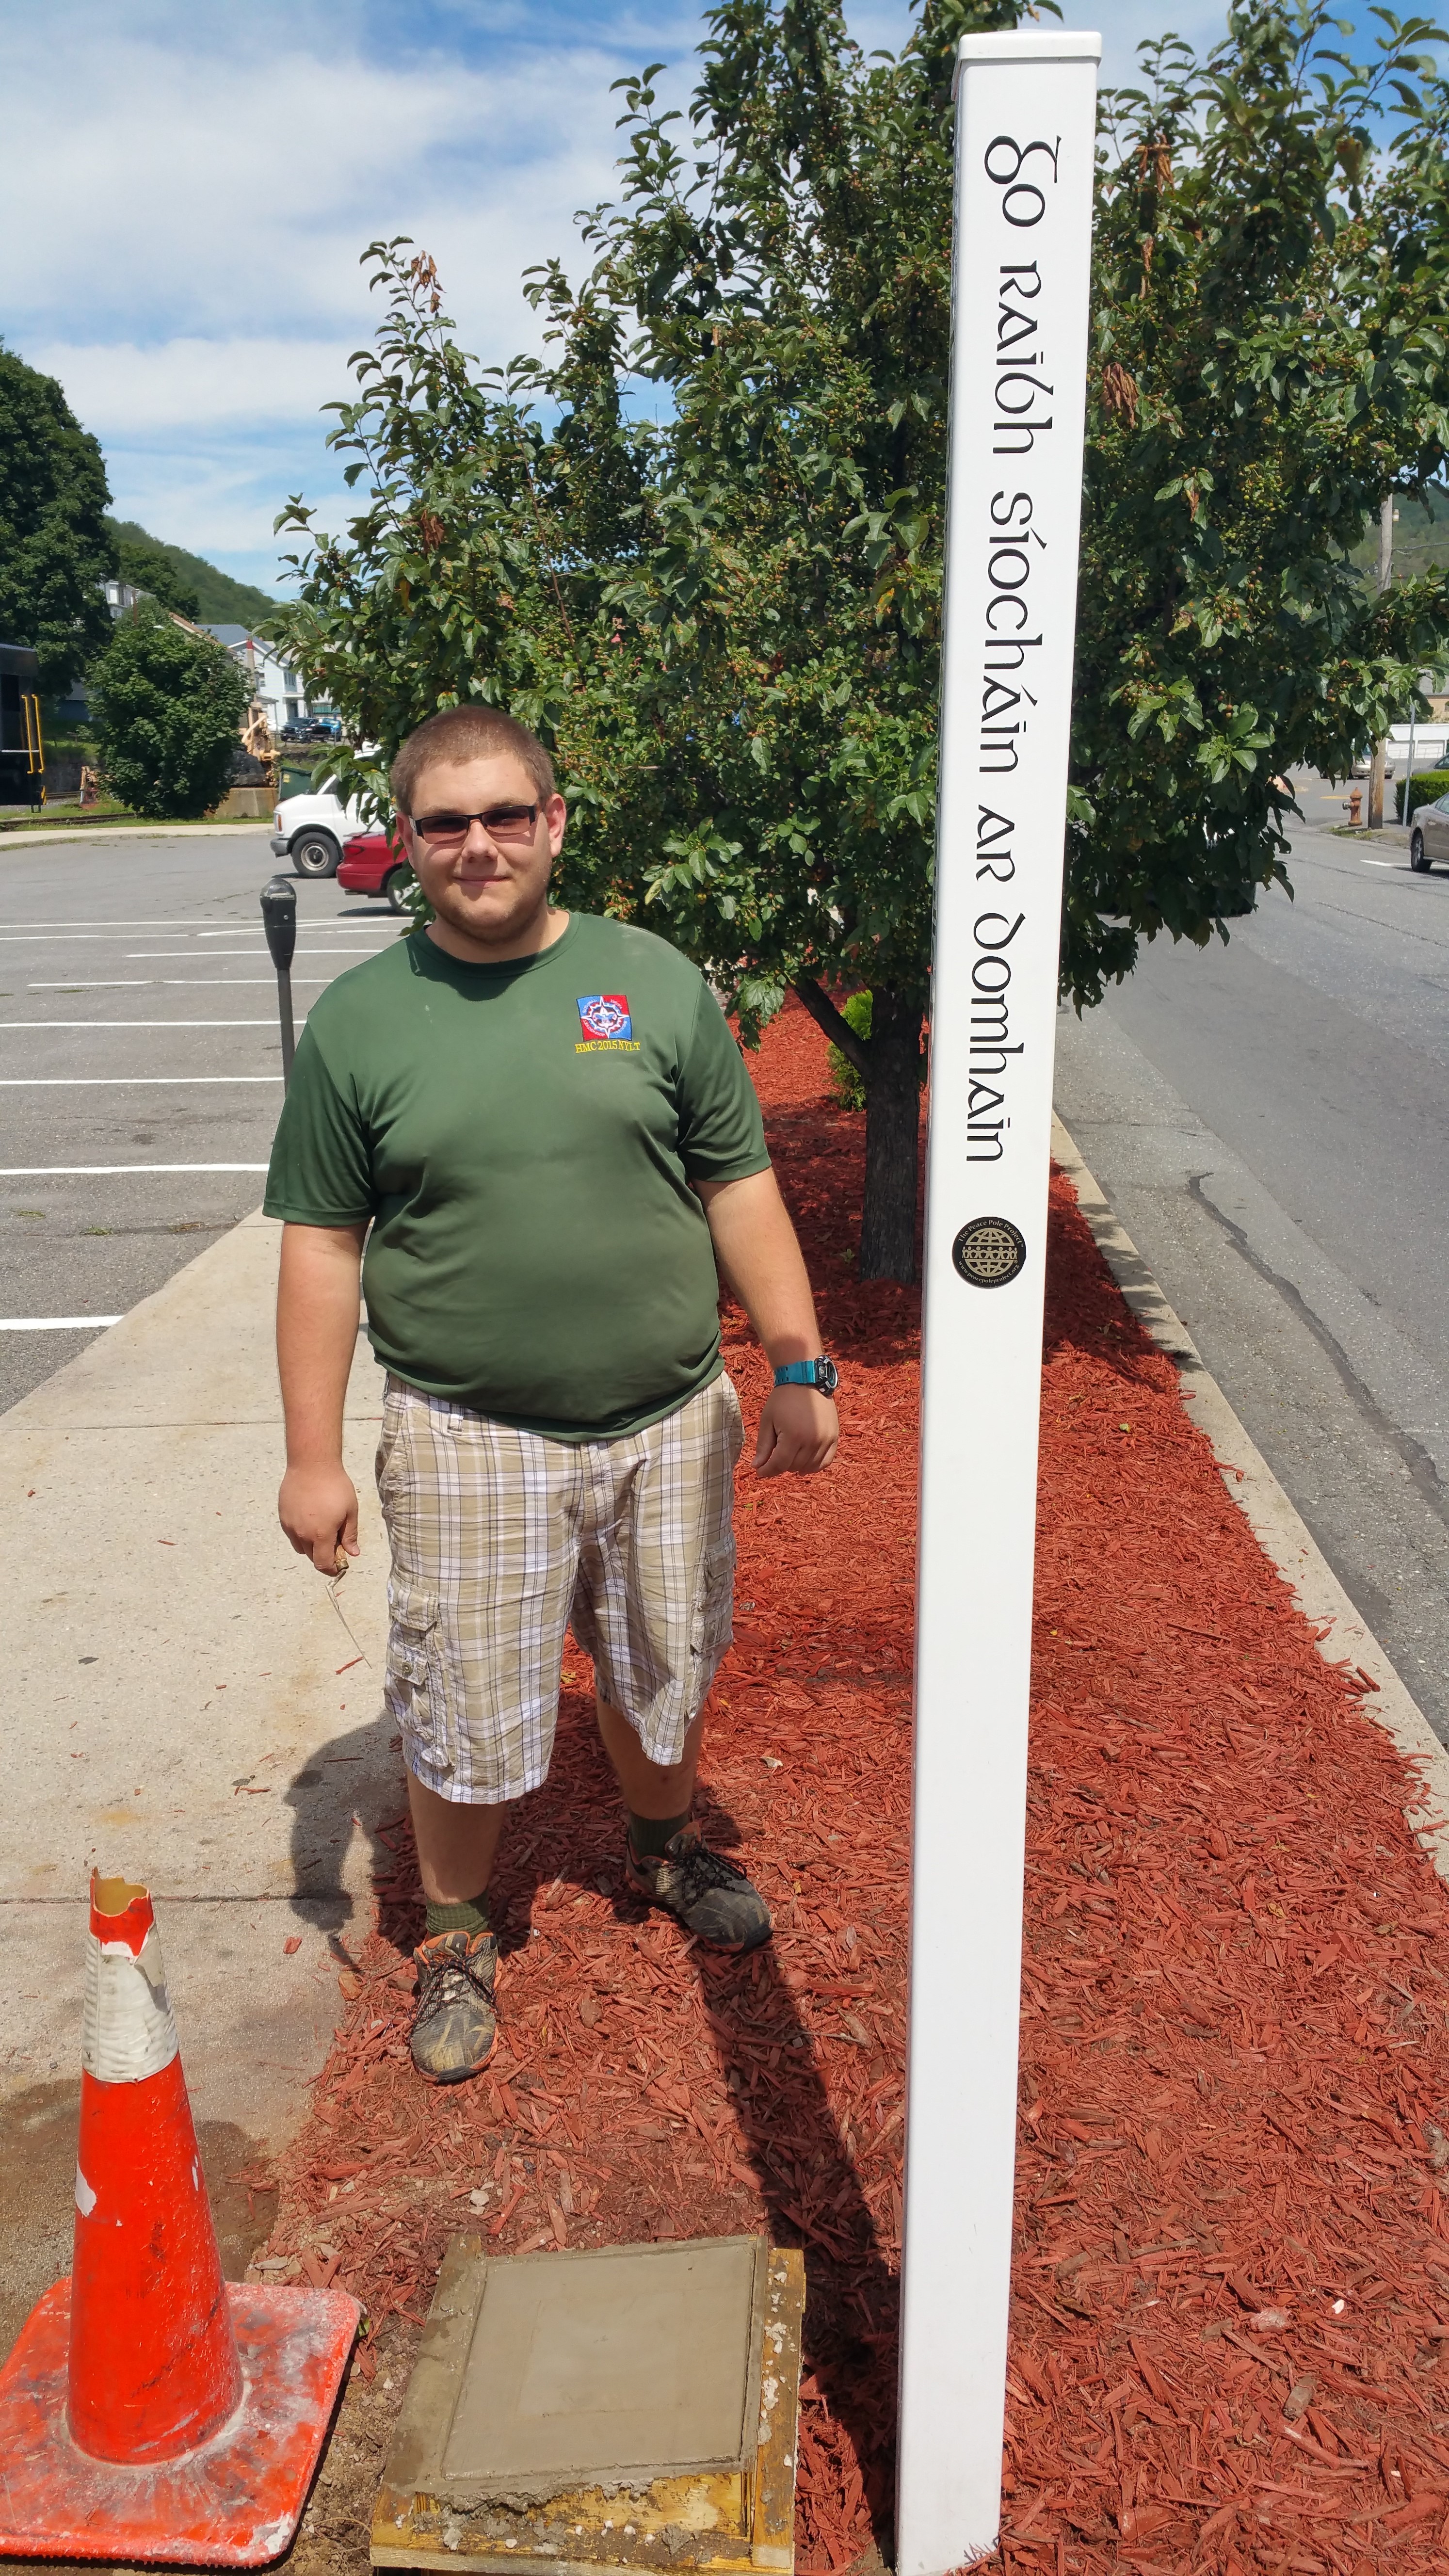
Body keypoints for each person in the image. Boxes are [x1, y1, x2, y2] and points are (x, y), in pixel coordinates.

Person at [265, 706, 840, 2084]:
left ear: (554, 822)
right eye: (445, 822)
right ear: (408, 842)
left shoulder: (651, 982)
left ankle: (662, 1847)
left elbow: (736, 1184)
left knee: (664, 1659)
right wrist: (311, 1458)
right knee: (462, 1699)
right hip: (468, 1432)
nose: (478, 845)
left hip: (668, 1419)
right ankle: (457, 1931)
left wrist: (799, 1359)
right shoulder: (361, 1021)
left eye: (504, 815)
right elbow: (322, 1245)